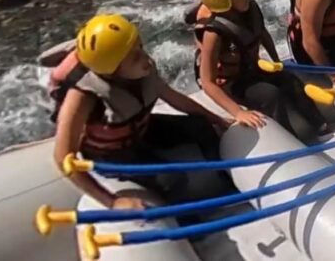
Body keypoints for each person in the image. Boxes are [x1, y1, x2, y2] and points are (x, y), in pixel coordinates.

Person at [48, 13, 236, 210]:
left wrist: (216, 119)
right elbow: (63, 158)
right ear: (113, 70)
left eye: (140, 47)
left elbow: (174, 98)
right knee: (170, 178)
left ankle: (228, 177)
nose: (146, 57)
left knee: (201, 125)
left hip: (142, 129)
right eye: (135, 56)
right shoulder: (83, 96)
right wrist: (112, 202)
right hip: (111, 154)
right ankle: (185, 220)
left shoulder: (143, 70)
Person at [187, 0, 325, 143]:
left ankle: (319, 124)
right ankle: (290, 139)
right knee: (269, 94)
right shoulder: (214, 33)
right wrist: (238, 112)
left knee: (289, 79)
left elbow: (262, 34)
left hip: (251, 71)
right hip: (232, 83)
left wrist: (277, 61)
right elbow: (207, 82)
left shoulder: (251, 9)